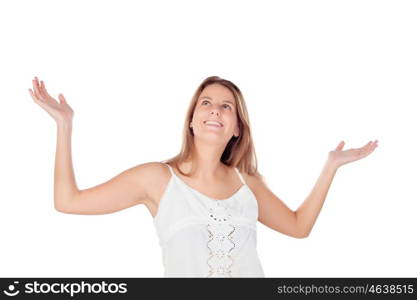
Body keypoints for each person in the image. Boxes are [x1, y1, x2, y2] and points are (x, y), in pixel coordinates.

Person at [28, 75, 378, 277]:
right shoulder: (156, 178)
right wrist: (64, 125)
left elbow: (299, 227)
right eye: (206, 103)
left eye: (227, 106)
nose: (216, 110)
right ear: (192, 120)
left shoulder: (247, 184)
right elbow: (68, 201)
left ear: (237, 127)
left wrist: (330, 166)